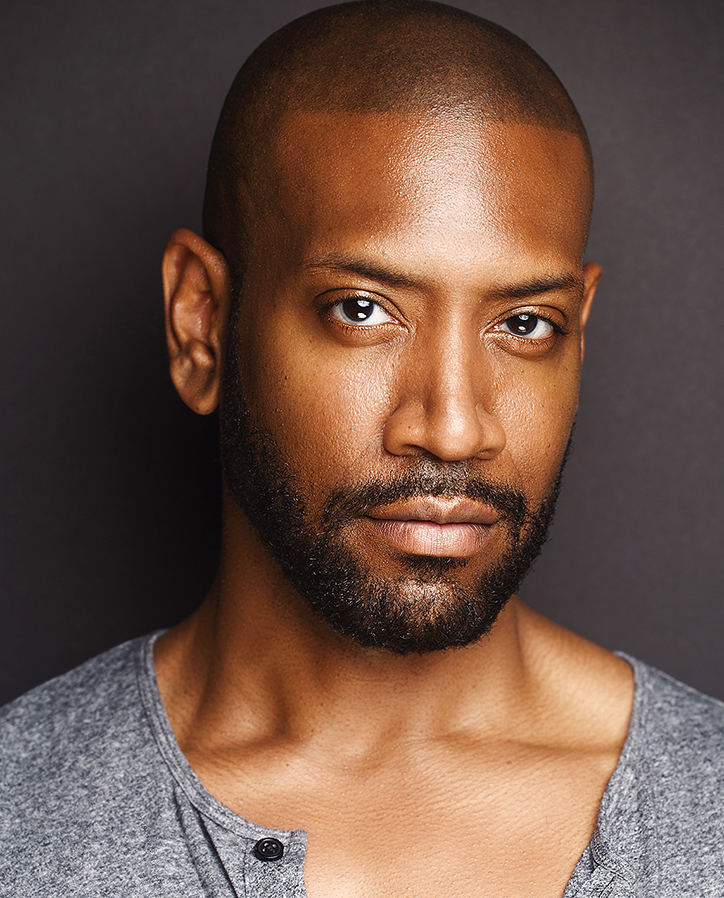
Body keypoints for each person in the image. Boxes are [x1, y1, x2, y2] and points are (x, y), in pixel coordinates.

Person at [1, 1, 723, 895]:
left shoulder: (708, 806)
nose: (454, 428)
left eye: (525, 322)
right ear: (201, 324)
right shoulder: (22, 822)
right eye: (362, 309)